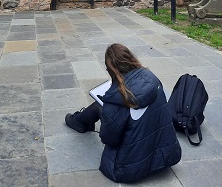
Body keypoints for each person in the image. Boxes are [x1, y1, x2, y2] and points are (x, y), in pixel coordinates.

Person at [65, 43, 181, 184]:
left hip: (129, 168)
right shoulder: (152, 79)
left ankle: (79, 121)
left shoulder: (113, 103)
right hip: (165, 155)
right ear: (131, 59)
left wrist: (108, 118)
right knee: (106, 109)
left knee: (99, 107)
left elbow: (109, 140)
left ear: (111, 71)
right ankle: (81, 121)